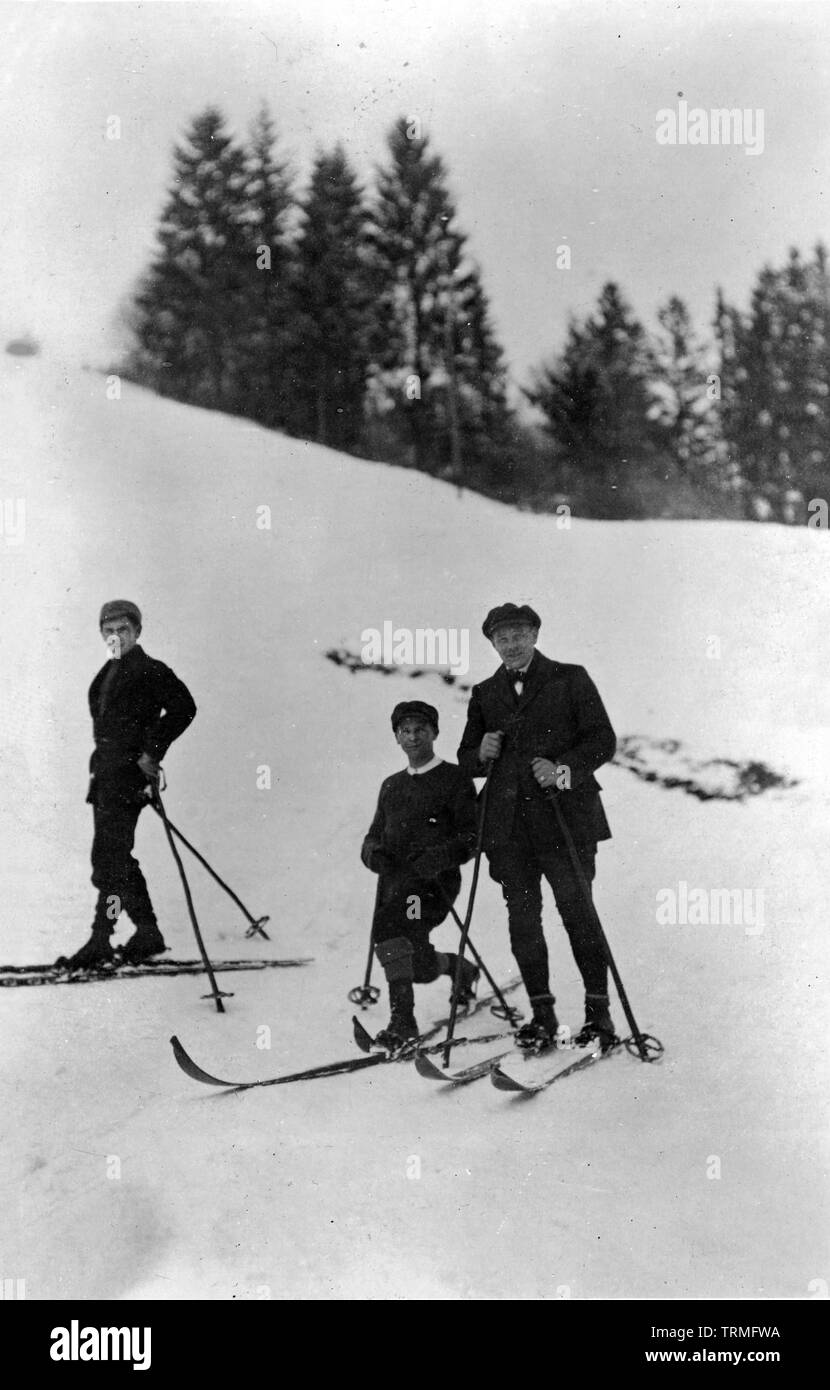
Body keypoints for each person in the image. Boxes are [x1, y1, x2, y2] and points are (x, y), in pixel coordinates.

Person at [457, 603, 618, 1050]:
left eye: (518, 635)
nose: (511, 644)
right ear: (492, 642)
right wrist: (481, 752)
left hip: (566, 820)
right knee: (523, 921)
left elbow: (603, 739)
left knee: (578, 914)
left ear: (534, 635)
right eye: (501, 638)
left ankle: (598, 1015)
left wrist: (564, 769)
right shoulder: (485, 693)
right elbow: (466, 757)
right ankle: (542, 1014)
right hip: (509, 830)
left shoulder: (570, 677)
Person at [61, 600, 197, 970]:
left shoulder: (150, 670)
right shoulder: (107, 673)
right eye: (109, 630)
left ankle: (101, 937)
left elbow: (185, 707)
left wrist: (152, 753)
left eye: (123, 629)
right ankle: (147, 932)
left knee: (110, 860)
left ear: (137, 632)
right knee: (113, 859)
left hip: (127, 780)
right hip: (105, 777)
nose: (115, 636)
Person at [360, 701, 481, 1048]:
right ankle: (458, 968)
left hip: (432, 886)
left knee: (392, 927)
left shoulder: (454, 779)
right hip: (397, 884)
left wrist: (438, 857)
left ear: (434, 734)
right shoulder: (392, 785)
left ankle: (403, 1021)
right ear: (397, 737)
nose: (413, 738)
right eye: (405, 731)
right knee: (413, 955)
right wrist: (373, 853)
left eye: (420, 731)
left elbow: (471, 838)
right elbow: (373, 835)